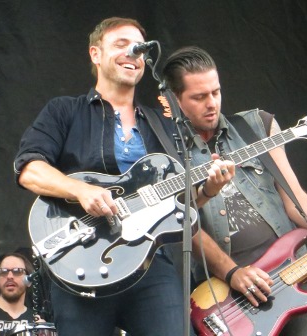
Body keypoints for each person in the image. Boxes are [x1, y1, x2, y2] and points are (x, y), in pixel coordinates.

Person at [13, 18, 233, 336]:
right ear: (95, 54)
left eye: (139, 48)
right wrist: (80, 190)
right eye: (120, 44)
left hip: (149, 262)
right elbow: (28, 168)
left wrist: (209, 189)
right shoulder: (64, 111)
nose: (132, 52)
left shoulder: (162, 124)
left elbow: (179, 204)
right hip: (83, 261)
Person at [161, 46, 307, 335]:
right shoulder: (166, 149)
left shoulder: (257, 126)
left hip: (287, 279)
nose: (212, 103)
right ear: (175, 100)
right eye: (199, 97)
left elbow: (297, 201)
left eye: (215, 92)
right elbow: (183, 225)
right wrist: (232, 271)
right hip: (226, 295)